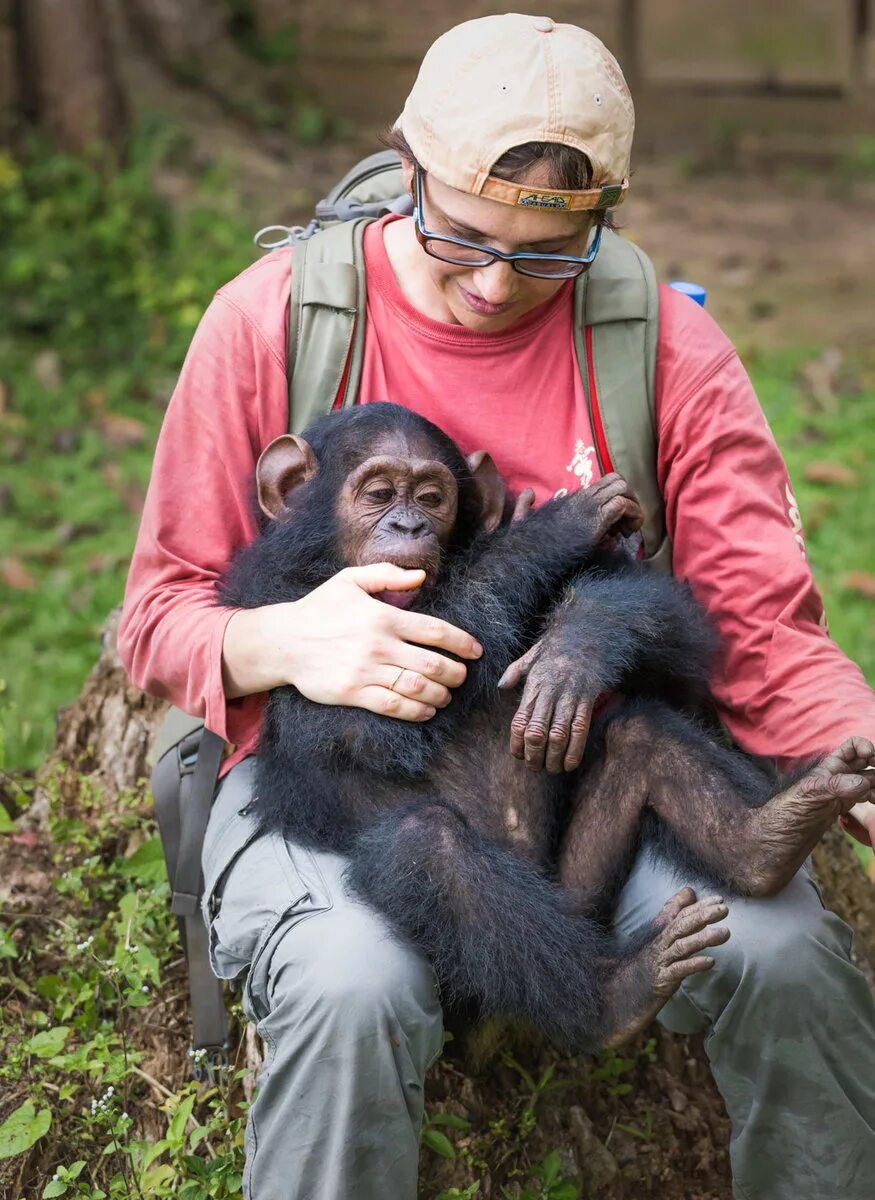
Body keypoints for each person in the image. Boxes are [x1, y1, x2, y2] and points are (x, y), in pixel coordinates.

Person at [118, 13, 875, 1200]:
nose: (490, 283)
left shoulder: (663, 346)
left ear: (603, 220)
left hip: (569, 780)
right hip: (353, 799)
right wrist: (286, 639)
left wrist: (853, 756)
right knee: (348, 986)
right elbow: (153, 613)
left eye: (544, 256)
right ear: (403, 167)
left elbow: (761, 628)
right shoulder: (272, 317)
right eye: (459, 236)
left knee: (782, 955)